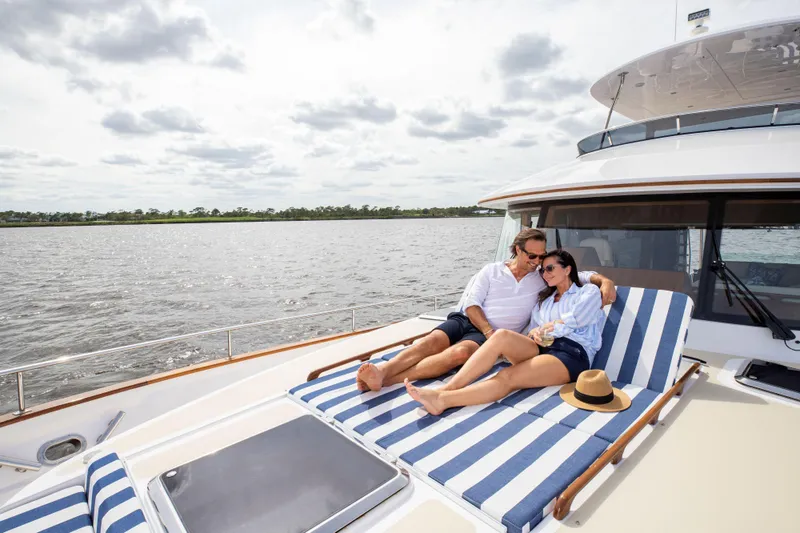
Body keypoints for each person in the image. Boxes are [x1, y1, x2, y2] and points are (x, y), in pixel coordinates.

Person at [356, 230, 616, 392]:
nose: (538, 262)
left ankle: (387, 380)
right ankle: (385, 369)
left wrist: (604, 281)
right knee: (432, 340)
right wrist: (488, 330)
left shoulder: (543, 276)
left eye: (541, 256)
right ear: (518, 250)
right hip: (471, 321)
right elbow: (471, 304)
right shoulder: (491, 270)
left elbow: (574, 274)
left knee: (458, 354)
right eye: (533, 256)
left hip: (490, 337)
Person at [405, 249, 606, 415]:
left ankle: (443, 400)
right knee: (501, 335)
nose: (545, 274)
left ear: (568, 268)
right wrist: (537, 332)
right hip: (543, 346)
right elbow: (534, 330)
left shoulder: (588, 292)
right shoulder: (543, 301)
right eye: (543, 270)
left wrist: (548, 327)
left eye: (550, 268)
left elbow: (578, 319)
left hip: (571, 353)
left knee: (508, 376)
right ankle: (449, 387)